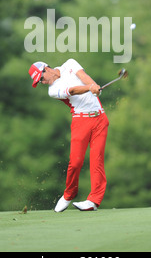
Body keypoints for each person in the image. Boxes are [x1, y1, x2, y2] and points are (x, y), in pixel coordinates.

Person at [28, 59, 109, 212]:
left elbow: (83, 76)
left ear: (46, 69)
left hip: (100, 119)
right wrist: (89, 88)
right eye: (39, 82)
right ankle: (69, 194)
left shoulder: (69, 64)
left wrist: (94, 86)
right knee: (76, 162)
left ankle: (94, 201)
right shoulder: (52, 91)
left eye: (41, 78)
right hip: (81, 120)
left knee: (97, 160)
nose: (42, 82)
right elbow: (72, 90)